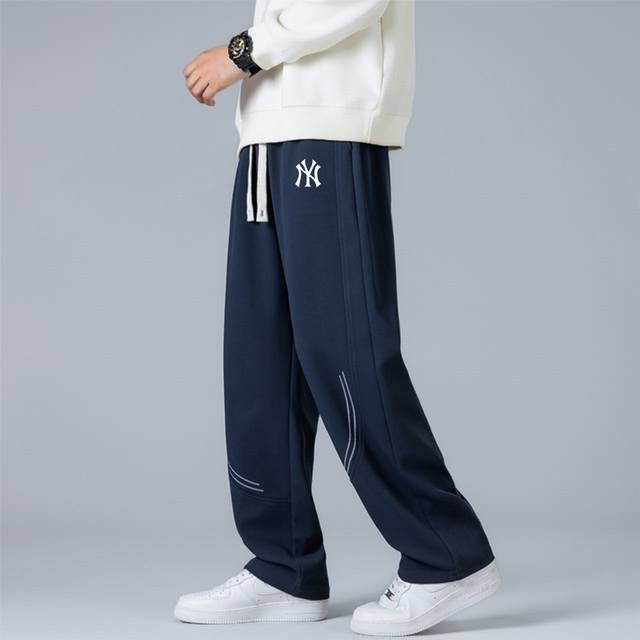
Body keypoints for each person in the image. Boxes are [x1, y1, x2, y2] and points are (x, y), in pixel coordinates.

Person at [174, 1, 500, 635]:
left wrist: (244, 51)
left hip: (329, 125)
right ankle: (284, 567)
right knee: (259, 358)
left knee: (345, 351)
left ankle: (447, 554)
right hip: (266, 134)